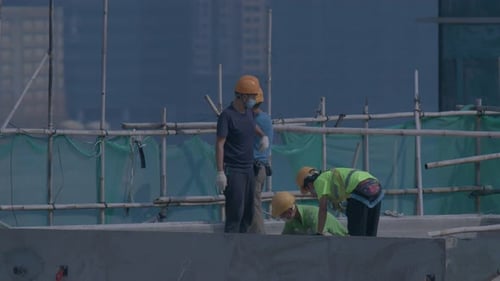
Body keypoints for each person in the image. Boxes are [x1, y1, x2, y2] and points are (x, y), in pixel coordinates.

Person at [215, 74, 269, 233]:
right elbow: (219, 144)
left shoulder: (249, 112)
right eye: (252, 96)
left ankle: (243, 250)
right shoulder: (227, 116)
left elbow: (252, 126)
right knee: (235, 214)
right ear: (243, 96)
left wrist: (262, 136)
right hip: (234, 170)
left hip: (249, 169)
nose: (254, 99)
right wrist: (220, 172)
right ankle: (231, 252)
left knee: (248, 214)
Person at [296, 166, 384, 236]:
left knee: (357, 237)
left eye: (308, 190)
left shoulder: (319, 181)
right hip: (376, 187)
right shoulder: (329, 176)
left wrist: (319, 232)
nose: (311, 194)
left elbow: (323, 209)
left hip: (360, 188)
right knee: (371, 237)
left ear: (309, 183)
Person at [248, 86, 273, 234]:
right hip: (259, 167)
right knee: (252, 202)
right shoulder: (263, 117)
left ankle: (259, 237)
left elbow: (247, 124)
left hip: (256, 167)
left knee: (254, 204)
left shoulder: (258, 120)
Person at [271, 191, 348, 236]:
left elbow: (322, 240)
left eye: (282, 214)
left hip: (340, 241)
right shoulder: (291, 220)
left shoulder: (312, 215)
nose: (282, 217)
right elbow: (285, 238)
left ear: (290, 209)